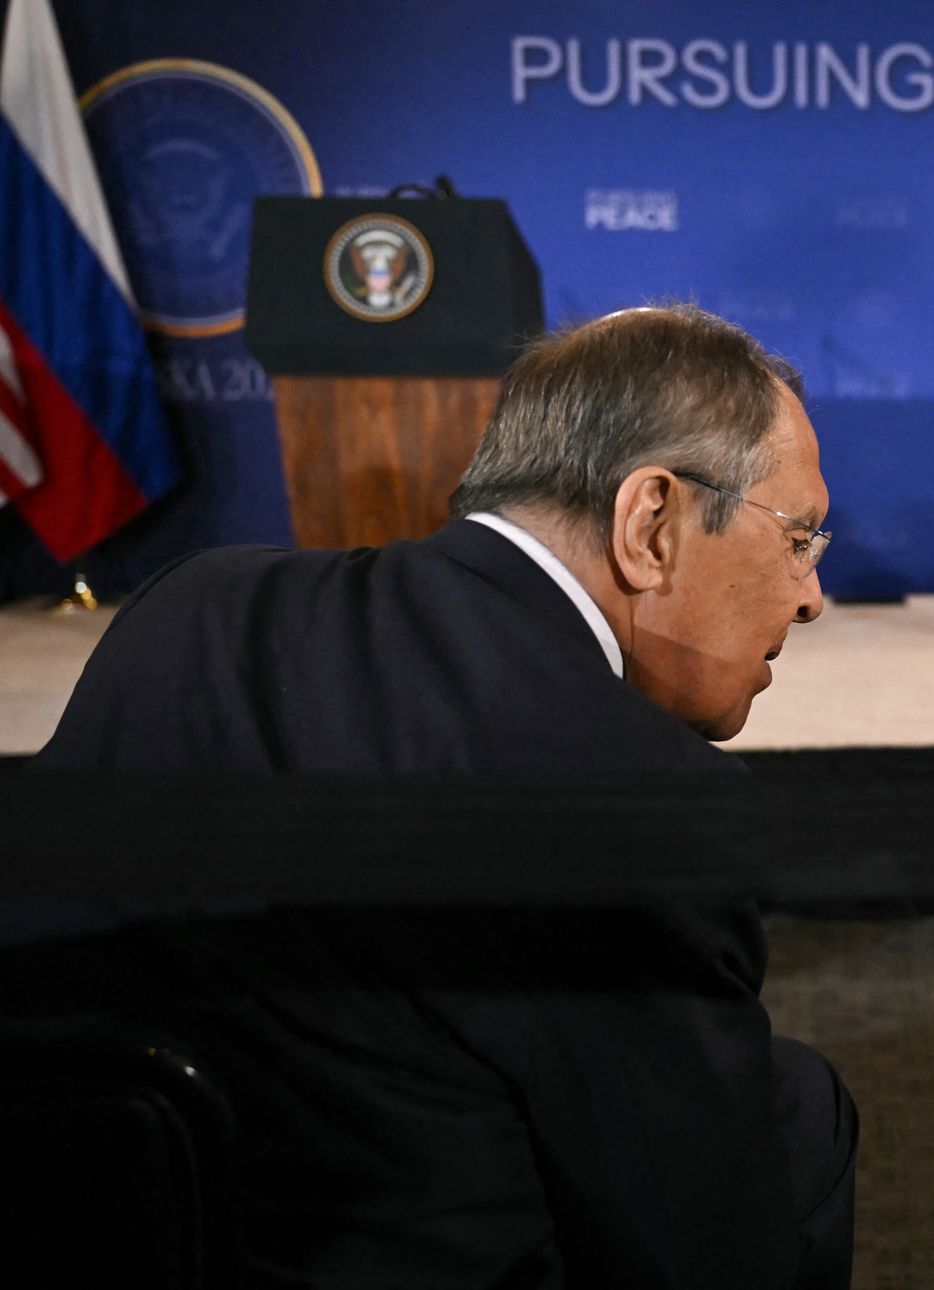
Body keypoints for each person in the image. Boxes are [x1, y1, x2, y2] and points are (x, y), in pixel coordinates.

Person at [24, 304, 856, 1287]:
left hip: (79, 1228)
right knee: (804, 1109)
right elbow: (698, 1249)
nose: (811, 595)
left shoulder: (198, 603)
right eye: (799, 538)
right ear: (650, 525)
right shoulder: (642, 803)